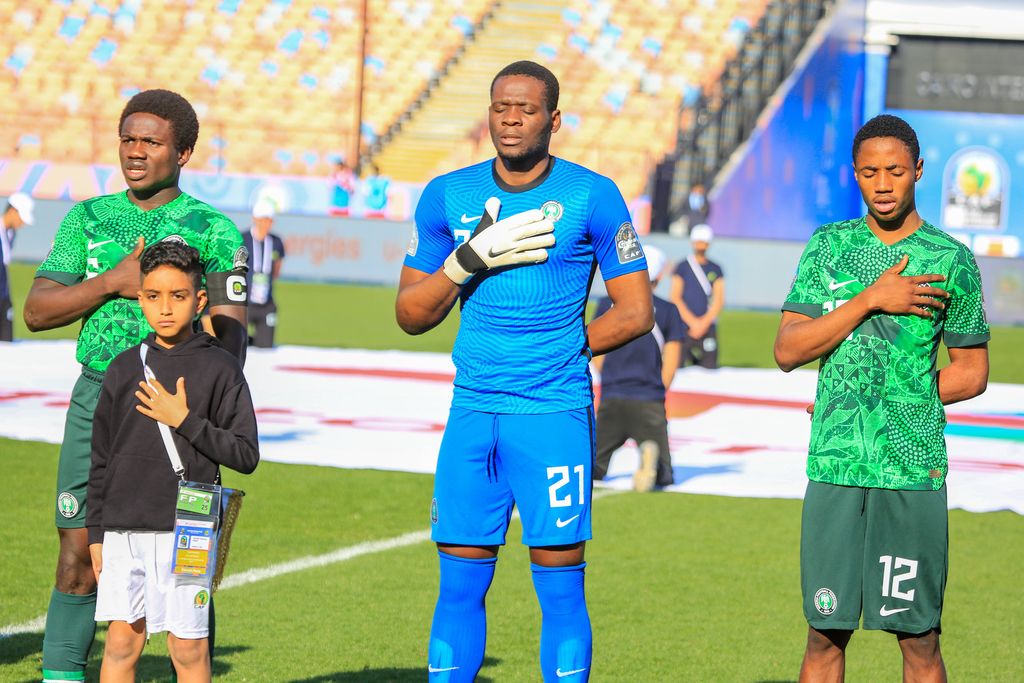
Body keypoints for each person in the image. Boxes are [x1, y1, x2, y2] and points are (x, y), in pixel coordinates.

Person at [395, 60, 653, 682]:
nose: (511, 120)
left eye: (527, 109)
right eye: (501, 107)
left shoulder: (592, 195)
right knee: (457, 586)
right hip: (473, 411)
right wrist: (465, 262)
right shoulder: (447, 195)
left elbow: (637, 311)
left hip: (552, 413)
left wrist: (568, 349)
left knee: (561, 590)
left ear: (554, 120)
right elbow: (409, 314)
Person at [23, 88, 249, 683]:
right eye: (128, 138)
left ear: (185, 152)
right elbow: (37, 310)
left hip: (180, 410)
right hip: (99, 398)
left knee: (188, 565)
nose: (135, 151)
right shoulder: (87, 219)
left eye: (151, 141)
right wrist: (111, 282)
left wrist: (195, 414)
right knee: (78, 554)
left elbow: (231, 343)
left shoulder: (216, 229)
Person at [774, 114, 989, 682]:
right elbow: (788, 349)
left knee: (919, 642)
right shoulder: (829, 248)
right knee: (824, 634)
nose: (884, 184)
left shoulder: (950, 260)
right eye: (870, 173)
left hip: (911, 469)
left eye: (895, 171)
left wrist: (898, 400)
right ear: (856, 177)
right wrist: (871, 298)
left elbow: (971, 372)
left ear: (918, 170)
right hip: (836, 465)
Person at [87, 240, 259, 682]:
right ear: (140, 296)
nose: (165, 308)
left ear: (200, 299)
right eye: (153, 296)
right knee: (122, 643)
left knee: (187, 647)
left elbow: (245, 453)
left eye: (178, 296)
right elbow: (101, 458)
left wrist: (183, 419)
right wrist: (95, 534)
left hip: (191, 526)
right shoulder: (124, 368)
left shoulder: (221, 369)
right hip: (124, 529)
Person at [592, 245, 684, 491]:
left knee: (594, 469)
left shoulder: (607, 305)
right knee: (664, 476)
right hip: (649, 399)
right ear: (660, 277)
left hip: (612, 396)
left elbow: (595, 350)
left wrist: (610, 379)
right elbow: (672, 359)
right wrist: (658, 389)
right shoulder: (668, 311)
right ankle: (649, 459)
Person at [669, 223, 724, 368]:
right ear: (692, 242)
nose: (701, 245)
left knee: (710, 367)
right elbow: (675, 297)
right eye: (698, 241)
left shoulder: (716, 269)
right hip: (683, 326)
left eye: (704, 241)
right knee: (677, 366)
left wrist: (703, 324)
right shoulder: (682, 267)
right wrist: (693, 323)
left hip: (707, 327)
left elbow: (718, 300)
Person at [242, 199, 286, 347]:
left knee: (265, 347)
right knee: (239, 343)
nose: (265, 223)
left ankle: (257, 339)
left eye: (269, 220)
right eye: (262, 219)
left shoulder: (276, 242)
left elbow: (277, 268)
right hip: (244, 303)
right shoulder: (243, 239)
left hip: (266, 303)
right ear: (255, 219)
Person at [1, 192, 35, 341]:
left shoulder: (10, 233)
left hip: (3, 294)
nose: (22, 223)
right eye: (21, 217)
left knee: (7, 340)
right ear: (13, 211)